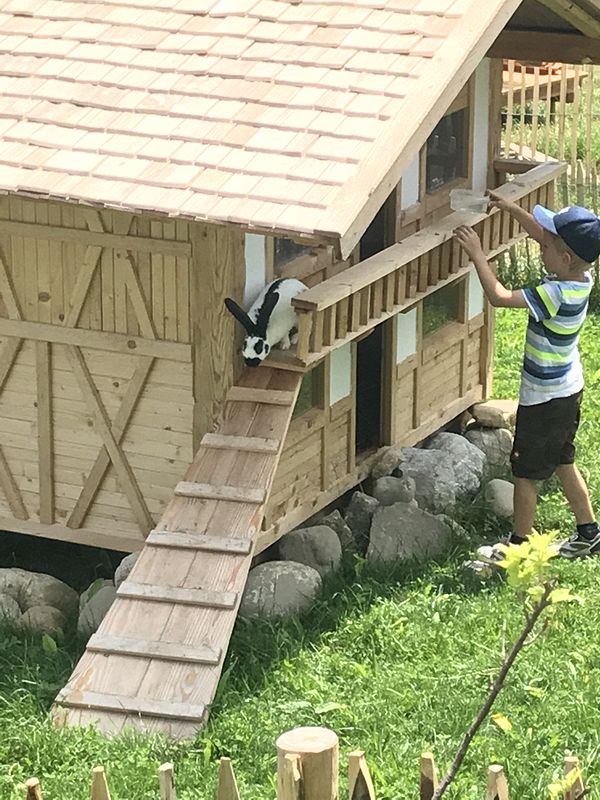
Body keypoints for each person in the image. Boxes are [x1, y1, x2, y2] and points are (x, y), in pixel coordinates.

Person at [453, 194, 600, 564]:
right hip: (568, 391)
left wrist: (477, 255)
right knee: (563, 460)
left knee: (524, 474)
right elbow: (545, 237)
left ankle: (518, 547)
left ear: (563, 258)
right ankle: (589, 532)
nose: (540, 248)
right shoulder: (581, 275)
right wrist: (512, 210)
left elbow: (500, 296)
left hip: (544, 399)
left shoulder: (554, 294)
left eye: (546, 246)